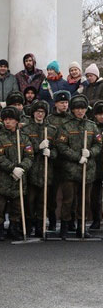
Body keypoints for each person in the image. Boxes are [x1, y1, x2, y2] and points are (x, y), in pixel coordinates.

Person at [56, 94, 101, 239]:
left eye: (82, 108)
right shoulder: (66, 126)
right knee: (68, 200)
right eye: (77, 109)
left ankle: (82, 227)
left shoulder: (91, 125)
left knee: (85, 200)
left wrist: (90, 153)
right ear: (73, 110)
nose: (80, 111)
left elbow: (98, 144)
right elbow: (61, 146)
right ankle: (64, 226)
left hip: (87, 170)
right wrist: (77, 157)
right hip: (70, 170)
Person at [0, 107, 34, 241]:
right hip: (3, 178)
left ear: (17, 121)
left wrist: (21, 168)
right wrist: (12, 168)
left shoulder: (24, 138)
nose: (8, 122)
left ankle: (13, 228)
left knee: (17, 206)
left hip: (19, 177)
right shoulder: (0, 138)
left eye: (11, 119)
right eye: (5, 120)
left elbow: (30, 155)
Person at [21, 101, 57, 237]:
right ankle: (28, 225)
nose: (40, 114)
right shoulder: (26, 129)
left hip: (46, 171)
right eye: (37, 111)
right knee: (30, 201)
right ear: (33, 113)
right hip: (31, 170)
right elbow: (24, 149)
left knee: (43, 201)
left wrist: (50, 153)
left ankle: (40, 226)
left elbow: (57, 151)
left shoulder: (52, 129)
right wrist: (38, 148)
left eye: (42, 112)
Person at [46, 90, 73, 232]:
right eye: (61, 102)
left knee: (69, 193)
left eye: (66, 102)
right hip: (53, 161)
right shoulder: (50, 119)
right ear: (56, 103)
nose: (64, 105)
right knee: (52, 193)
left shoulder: (72, 118)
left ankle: (69, 220)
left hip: (69, 161)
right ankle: (52, 218)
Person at [91, 101, 103, 230]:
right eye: (99, 114)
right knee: (95, 197)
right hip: (96, 166)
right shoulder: (92, 127)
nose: (102, 117)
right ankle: (96, 220)